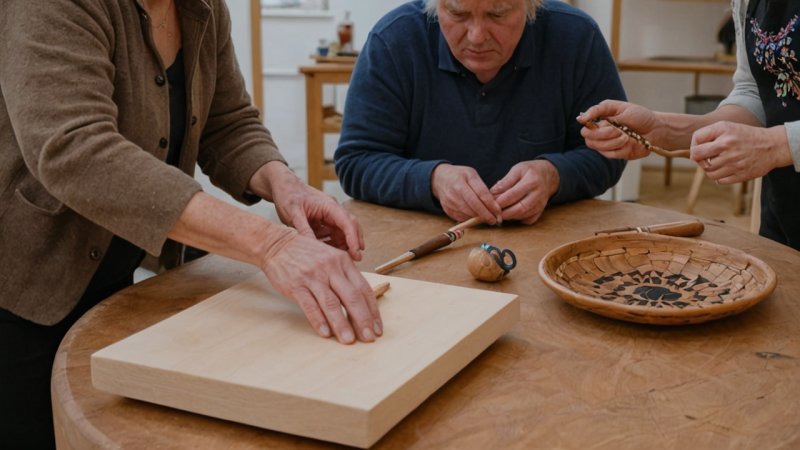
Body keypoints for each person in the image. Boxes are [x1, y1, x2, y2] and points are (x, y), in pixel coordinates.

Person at [0, 0, 383, 447]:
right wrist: (271, 245)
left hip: (113, 282)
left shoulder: (202, 8)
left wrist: (285, 185)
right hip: (22, 288)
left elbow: (228, 123)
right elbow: (76, 150)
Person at [334, 0, 627, 226]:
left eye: (497, 14)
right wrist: (433, 180)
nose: (476, 36)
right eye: (458, 14)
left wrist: (555, 176)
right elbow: (357, 162)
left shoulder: (576, 38)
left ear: (530, 5)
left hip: (549, 238)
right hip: (425, 239)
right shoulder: (394, 41)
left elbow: (609, 153)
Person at [579, 0, 800, 251]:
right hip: (785, 210)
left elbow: (776, 138)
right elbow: (757, 93)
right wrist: (664, 129)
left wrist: (778, 145)